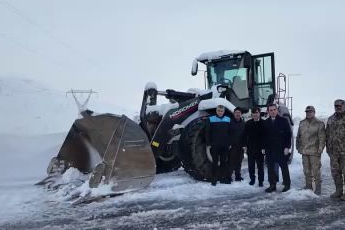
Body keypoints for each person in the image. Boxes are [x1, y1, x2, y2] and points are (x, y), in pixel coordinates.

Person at [296, 105, 326, 195]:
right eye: (307, 112)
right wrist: (298, 147)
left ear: (314, 112)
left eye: (310, 112)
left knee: (316, 170)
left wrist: (320, 149)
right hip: (305, 151)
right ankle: (308, 186)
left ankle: (318, 187)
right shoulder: (302, 123)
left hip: (315, 151)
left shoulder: (319, 123)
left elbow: (322, 138)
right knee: (306, 170)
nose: (308, 113)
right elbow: (298, 137)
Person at [263, 104, 292, 193]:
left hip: (281, 149)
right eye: (270, 110)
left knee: (284, 167)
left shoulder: (283, 121)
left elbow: (288, 134)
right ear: (268, 111)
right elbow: (263, 137)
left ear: (277, 110)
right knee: (270, 168)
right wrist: (263, 147)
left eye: (274, 109)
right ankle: (272, 185)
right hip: (270, 149)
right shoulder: (266, 122)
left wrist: (287, 147)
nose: (272, 111)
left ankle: (287, 184)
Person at [205, 105, 232, 186]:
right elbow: (207, 132)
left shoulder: (228, 119)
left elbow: (230, 132)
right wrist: (208, 143)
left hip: (225, 145)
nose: (220, 112)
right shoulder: (211, 119)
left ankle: (223, 178)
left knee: (224, 162)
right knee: (215, 162)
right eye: (219, 111)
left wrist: (229, 143)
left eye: (222, 111)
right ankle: (214, 179)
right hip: (215, 145)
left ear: (224, 111)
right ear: (216, 111)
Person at [326, 99, 345, 199]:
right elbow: (327, 134)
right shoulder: (330, 119)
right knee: (335, 172)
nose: (338, 107)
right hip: (333, 152)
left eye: (340, 106)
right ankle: (338, 191)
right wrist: (328, 148)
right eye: (336, 106)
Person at [243, 106, 265, 187]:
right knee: (251, 166)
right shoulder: (248, 123)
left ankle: (261, 181)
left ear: (259, 113)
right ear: (251, 114)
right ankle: (252, 179)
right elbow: (245, 135)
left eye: (257, 113)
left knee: (260, 167)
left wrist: (264, 147)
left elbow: (265, 137)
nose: (255, 114)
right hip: (251, 148)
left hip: (260, 149)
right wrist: (245, 145)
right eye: (253, 113)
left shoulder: (263, 123)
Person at [229, 107, 246, 181]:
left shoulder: (243, 123)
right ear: (234, 113)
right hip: (232, 146)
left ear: (241, 114)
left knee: (239, 161)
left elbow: (245, 134)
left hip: (241, 146)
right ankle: (228, 176)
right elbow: (227, 134)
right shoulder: (230, 122)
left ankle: (238, 176)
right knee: (231, 162)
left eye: (239, 113)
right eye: (236, 113)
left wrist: (245, 145)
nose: (238, 114)